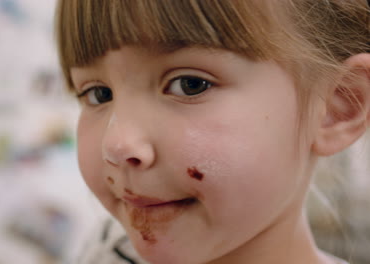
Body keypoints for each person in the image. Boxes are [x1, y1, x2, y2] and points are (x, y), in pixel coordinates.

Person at [55, 1, 370, 263]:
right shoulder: (103, 251)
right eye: (98, 94)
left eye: (190, 85)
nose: (117, 144)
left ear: (338, 107)